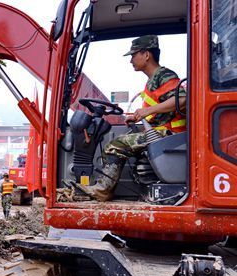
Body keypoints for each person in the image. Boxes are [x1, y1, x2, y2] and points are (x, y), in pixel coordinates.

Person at [74, 35, 187, 201]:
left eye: (134, 55)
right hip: (162, 133)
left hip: (170, 135)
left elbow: (182, 100)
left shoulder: (164, 75)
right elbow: (160, 114)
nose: (131, 60)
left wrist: (146, 112)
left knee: (115, 146)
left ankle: (103, 189)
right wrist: (138, 117)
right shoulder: (152, 81)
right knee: (125, 140)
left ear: (146, 55)